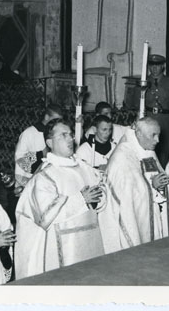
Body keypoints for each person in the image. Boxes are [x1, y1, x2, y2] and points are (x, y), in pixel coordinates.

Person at [15, 119, 106, 279]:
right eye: (63, 135)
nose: (70, 139)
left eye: (70, 134)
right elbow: (45, 216)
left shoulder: (84, 167)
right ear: (49, 142)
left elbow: (102, 194)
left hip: (91, 240)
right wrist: (81, 199)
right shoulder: (45, 176)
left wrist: (98, 198)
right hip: (64, 246)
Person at [99, 117, 169, 253]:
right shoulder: (122, 157)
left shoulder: (147, 150)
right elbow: (127, 196)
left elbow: (155, 181)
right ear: (138, 133)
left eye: (158, 135)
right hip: (134, 217)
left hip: (153, 215)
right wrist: (153, 186)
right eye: (153, 135)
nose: (157, 140)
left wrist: (159, 187)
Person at [13, 104, 63, 195]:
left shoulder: (57, 134)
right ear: (47, 117)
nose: (57, 124)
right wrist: (41, 154)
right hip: (28, 185)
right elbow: (19, 159)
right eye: (55, 120)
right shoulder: (29, 133)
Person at [144, 54, 169, 167]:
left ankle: (163, 172)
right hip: (148, 119)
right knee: (147, 148)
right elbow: (136, 103)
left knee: (164, 150)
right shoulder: (143, 81)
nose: (154, 68)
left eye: (157, 65)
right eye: (152, 65)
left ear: (162, 66)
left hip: (165, 120)